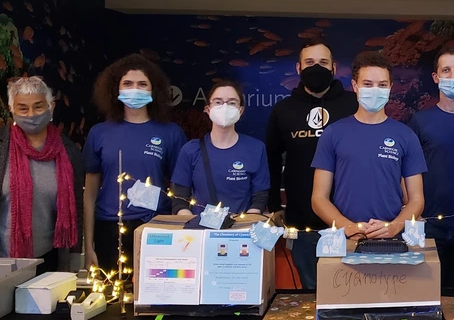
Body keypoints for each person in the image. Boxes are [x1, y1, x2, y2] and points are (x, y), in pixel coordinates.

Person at [0, 77, 83, 273]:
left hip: (49, 262)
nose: (31, 115)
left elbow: (75, 206)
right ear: (12, 110)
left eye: (38, 106)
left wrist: (74, 255)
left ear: (51, 106)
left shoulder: (68, 151)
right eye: (23, 109)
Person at [265, 41, 358, 288]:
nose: (316, 68)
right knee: (312, 292)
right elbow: (272, 160)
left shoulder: (354, 106)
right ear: (298, 68)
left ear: (334, 68)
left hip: (352, 221)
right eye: (309, 63)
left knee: (353, 290)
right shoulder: (283, 110)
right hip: (302, 221)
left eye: (323, 63)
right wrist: (274, 205)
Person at [83, 54, 186, 272]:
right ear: (115, 89)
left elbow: (181, 189)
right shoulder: (99, 133)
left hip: (155, 225)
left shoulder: (170, 133)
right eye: (127, 84)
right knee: (112, 298)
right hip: (109, 227)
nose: (135, 89)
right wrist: (88, 243)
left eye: (142, 84)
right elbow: (90, 194)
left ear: (153, 90)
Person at [311, 51, 427, 239]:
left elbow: (417, 199)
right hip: (344, 240)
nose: (375, 90)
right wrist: (347, 227)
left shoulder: (406, 136)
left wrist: (394, 227)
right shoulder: (333, 133)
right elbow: (318, 198)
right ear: (355, 86)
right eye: (367, 84)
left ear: (390, 87)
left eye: (382, 85)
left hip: (392, 241)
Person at [408, 48, 454, 288]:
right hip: (428, 225)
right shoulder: (420, 121)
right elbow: (406, 171)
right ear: (435, 77)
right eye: (446, 70)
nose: (452, 76)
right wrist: (411, 211)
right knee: (424, 297)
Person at [171, 80, 269, 216]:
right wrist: (193, 228)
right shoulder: (190, 150)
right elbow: (179, 199)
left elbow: (259, 197)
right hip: (199, 232)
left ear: (241, 111)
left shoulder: (256, 149)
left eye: (232, 103)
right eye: (218, 102)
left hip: (240, 232)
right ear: (207, 109)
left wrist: (245, 225)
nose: (225, 107)